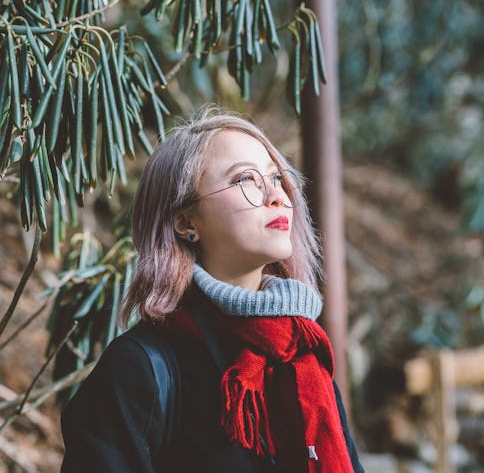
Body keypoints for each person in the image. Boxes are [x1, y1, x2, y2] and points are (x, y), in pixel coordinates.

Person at [60, 108, 365, 472]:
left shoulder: (304, 358)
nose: (277, 196)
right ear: (187, 221)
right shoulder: (140, 369)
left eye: (278, 178)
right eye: (246, 179)